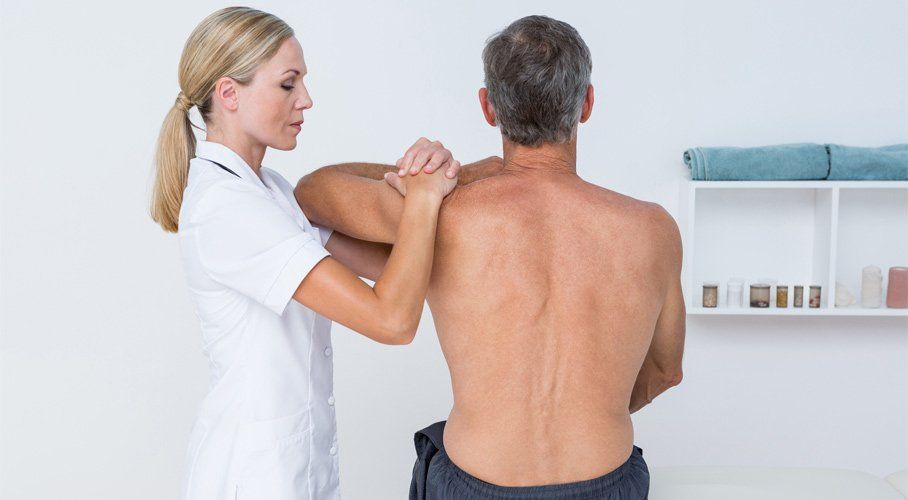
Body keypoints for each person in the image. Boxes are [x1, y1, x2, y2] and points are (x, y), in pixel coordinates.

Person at [295, 15, 685, 499]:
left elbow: (313, 192)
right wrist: (588, 414)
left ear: (488, 107)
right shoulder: (654, 230)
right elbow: (667, 371)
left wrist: (443, 178)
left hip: (475, 486)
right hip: (607, 482)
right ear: (586, 102)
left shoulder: (442, 214)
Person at [149, 7, 467, 500]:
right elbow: (392, 320)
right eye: (287, 84)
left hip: (293, 470)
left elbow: (401, 271)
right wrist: (423, 197)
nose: (307, 100)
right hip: (251, 478)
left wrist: (419, 175)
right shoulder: (227, 208)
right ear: (228, 93)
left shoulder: (269, 189)